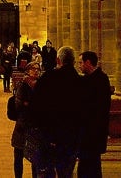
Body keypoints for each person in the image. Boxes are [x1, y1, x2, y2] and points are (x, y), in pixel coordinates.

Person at [29, 46, 83, 178]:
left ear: (58, 60)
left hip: (50, 136)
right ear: (74, 62)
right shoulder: (81, 81)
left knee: (48, 172)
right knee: (66, 171)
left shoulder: (48, 78)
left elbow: (36, 105)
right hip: (72, 136)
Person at [77, 51, 111, 178]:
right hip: (91, 130)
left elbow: (97, 107)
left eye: (80, 62)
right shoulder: (95, 78)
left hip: (93, 130)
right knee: (90, 163)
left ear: (88, 62)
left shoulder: (99, 80)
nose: (79, 66)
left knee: (90, 163)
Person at [11, 62, 40, 178]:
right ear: (28, 71)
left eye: (38, 69)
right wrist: (30, 104)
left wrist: (29, 103)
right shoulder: (23, 85)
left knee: (36, 157)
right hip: (22, 126)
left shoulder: (41, 85)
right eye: (34, 69)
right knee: (18, 155)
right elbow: (19, 105)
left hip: (36, 125)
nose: (36, 71)